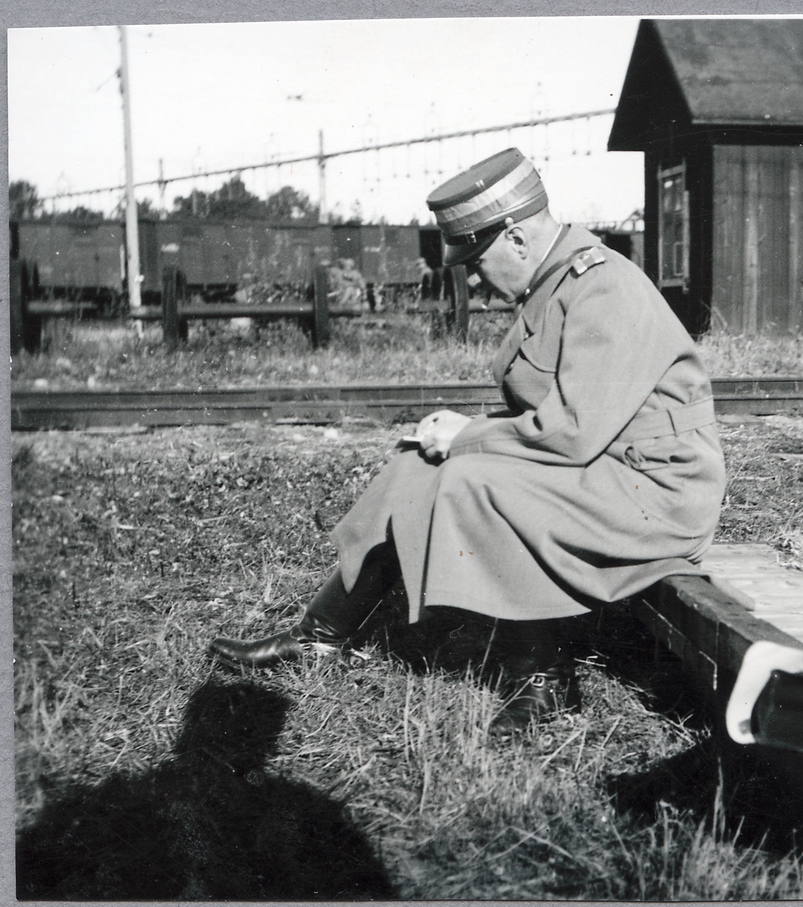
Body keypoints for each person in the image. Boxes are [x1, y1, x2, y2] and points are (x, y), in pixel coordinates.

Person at [209, 148, 726, 736]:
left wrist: (469, 436)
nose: (475, 280)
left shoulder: (603, 288)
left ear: (517, 238)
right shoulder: (556, 282)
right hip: (603, 470)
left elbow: (573, 432)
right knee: (417, 465)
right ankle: (321, 636)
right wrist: (457, 436)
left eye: (477, 262)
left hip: (654, 490)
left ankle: (545, 678)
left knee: (471, 477)